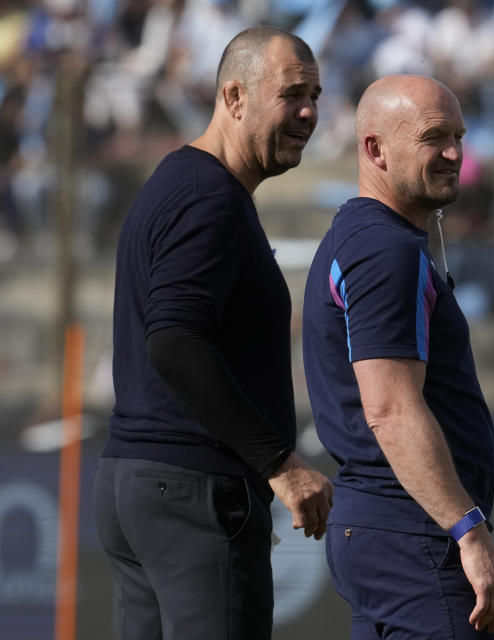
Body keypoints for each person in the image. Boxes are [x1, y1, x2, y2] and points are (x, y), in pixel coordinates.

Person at [92, 26, 333, 640]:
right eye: (291, 94)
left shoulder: (184, 184)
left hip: (148, 483)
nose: (308, 112)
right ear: (233, 97)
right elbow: (175, 341)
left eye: (316, 95)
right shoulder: (207, 197)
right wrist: (279, 464)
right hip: (188, 488)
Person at [302, 74, 494, 639]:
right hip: (415, 536)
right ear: (374, 148)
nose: (454, 153)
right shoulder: (383, 249)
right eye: (432, 137)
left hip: (390, 534)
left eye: (459, 135)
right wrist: (468, 532)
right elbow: (391, 410)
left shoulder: (372, 239)